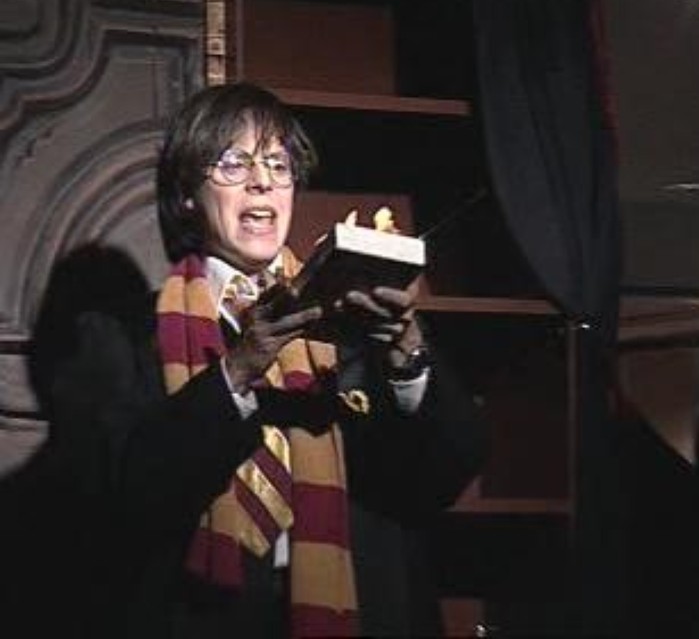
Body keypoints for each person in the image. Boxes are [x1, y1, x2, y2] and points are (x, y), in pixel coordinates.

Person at [41, 81, 487, 638]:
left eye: (278, 164)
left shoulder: (357, 314)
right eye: (233, 163)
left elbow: (442, 477)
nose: (262, 181)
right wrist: (238, 370)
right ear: (187, 193)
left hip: (358, 612)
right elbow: (119, 502)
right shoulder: (125, 336)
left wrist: (406, 355)